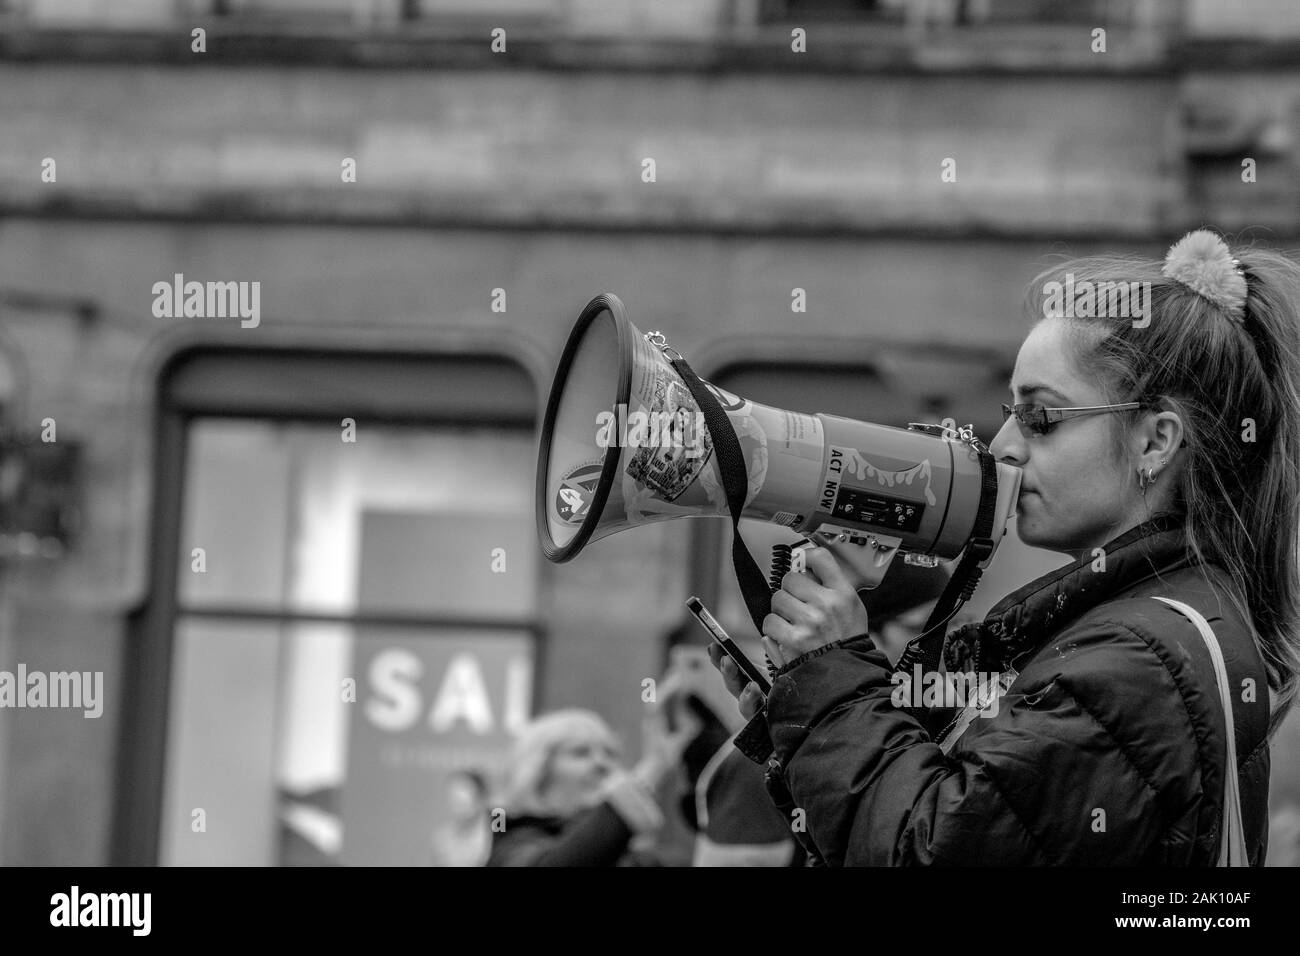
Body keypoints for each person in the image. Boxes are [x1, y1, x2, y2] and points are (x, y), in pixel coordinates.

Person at [711, 229, 1300, 866]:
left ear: (1156, 442)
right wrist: (806, 711)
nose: (1003, 448)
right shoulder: (1136, 632)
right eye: (1010, 413)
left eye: (1041, 418)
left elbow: (927, 851)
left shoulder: (1141, 660)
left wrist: (834, 683)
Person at [486, 701, 699, 866]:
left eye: (610, 753)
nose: (602, 763)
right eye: (580, 752)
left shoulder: (632, 857)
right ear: (538, 773)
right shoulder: (511, 844)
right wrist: (654, 767)